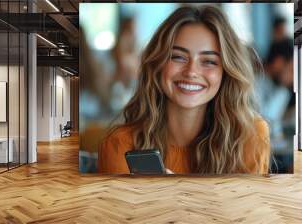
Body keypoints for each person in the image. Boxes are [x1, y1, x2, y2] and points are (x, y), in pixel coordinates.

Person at [98, 5, 270, 175]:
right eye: (178, 57)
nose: (191, 72)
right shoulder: (120, 144)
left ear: (226, 72)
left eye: (209, 61)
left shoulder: (250, 136)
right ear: (157, 65)